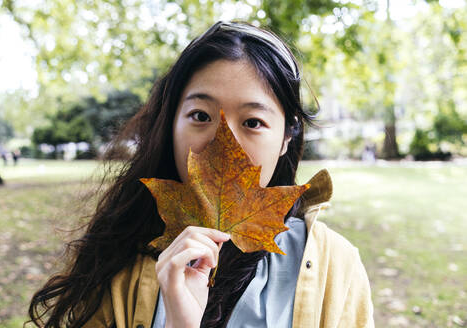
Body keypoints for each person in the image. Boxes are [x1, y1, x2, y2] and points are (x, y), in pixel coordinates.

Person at [28, 21, 374, 328]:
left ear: (286, 137)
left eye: (253, 122)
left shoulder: (335, 266)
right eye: (200, 116)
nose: (224, 141)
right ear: (172, 124)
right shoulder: (119, 262)